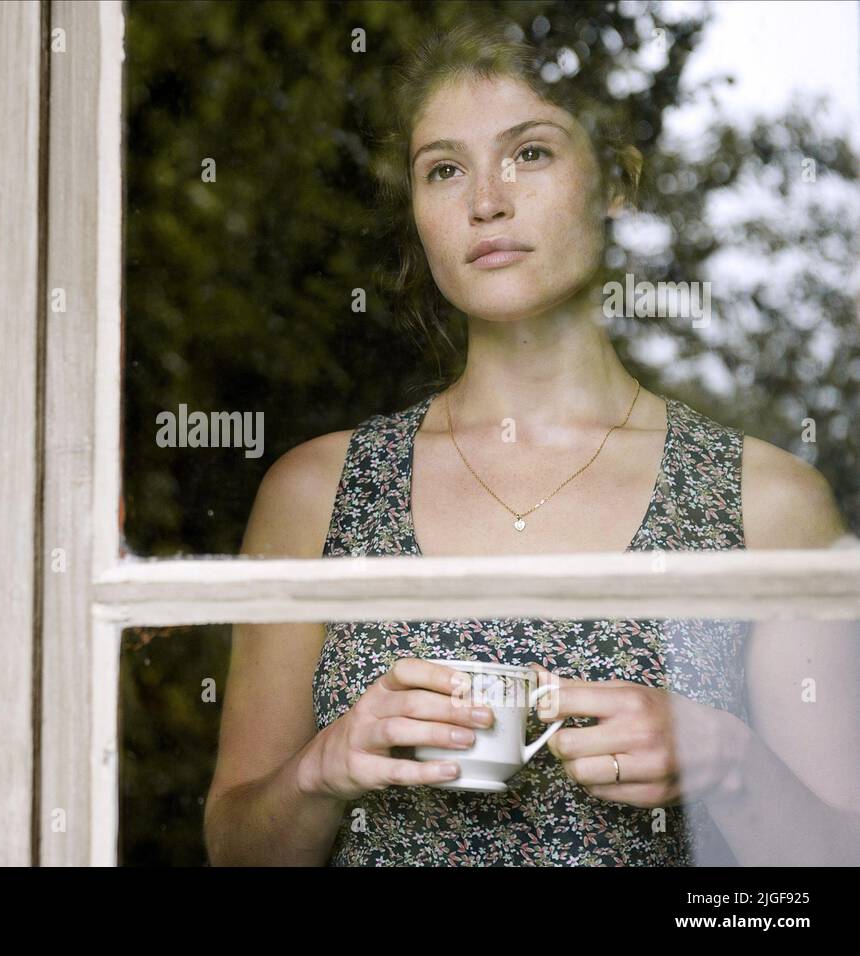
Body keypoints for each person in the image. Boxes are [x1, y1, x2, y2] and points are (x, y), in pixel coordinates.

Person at [203, 19, 859, 866]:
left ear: (617, 183)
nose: (486, 201)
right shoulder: (316, 492)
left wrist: (729, 764)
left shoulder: (768, 503)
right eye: (444, 169)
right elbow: (236, 848)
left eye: (532, 153)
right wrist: (323, 768)